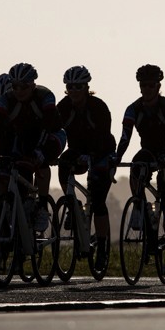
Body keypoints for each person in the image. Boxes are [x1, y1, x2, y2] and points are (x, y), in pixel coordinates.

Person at [115, 64, 165, 275]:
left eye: (150, 85)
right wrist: (116, 158)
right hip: (149, 151)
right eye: (143, 85)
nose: (146, 89)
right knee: (136, 167)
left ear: (158, 86)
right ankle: (140, 207)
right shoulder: (133, 109)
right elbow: (125, 137)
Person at [0, 62, 65, 232]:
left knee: (42, 158)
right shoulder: (7, 99)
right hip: (26, 137)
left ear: (32, 85)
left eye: (23, 86)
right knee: (18, 167)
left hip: (52, 135)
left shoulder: (45, 96)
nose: (19, 91)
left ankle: (43, 206)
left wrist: (39, 151)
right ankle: (22, 213)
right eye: (15, 87)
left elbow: (48, 125)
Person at [56, 65, 117, 265]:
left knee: (97, 199)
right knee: (64, 163)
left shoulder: (99, 107)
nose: (73, 90)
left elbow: (102, 136)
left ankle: (101, 247)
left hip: (102, 153)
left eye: (78, 86)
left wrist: (90, 156)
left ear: (86, 87)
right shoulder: (63, 107)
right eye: (70, 86)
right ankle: (72, 205)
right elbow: (53, 131)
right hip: (78, 151)